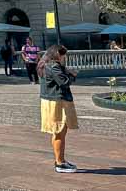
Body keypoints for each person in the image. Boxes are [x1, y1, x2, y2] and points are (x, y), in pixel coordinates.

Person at [39, 45, 79, 173]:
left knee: (59, 132)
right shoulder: (54, 66)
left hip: (50, 100)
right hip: (57, 101)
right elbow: (64, 82)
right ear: (57, 55)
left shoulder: (44, 64)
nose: (65, 57)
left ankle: (60, 159)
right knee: (59, 131)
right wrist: (72, 75)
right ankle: (59, 163)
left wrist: (65, 70)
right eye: (63, 55)